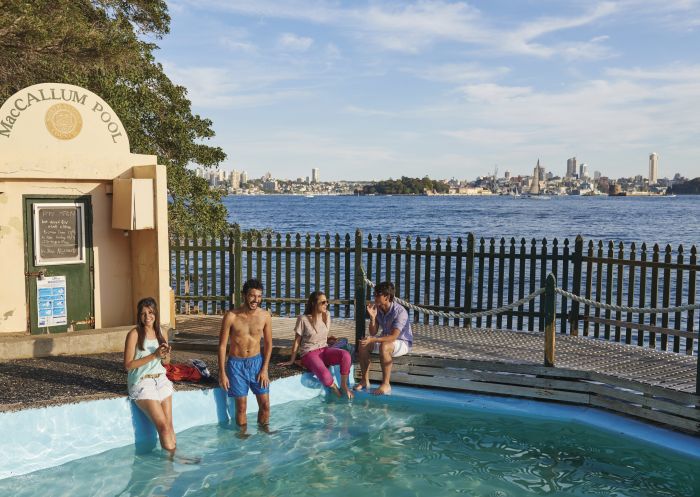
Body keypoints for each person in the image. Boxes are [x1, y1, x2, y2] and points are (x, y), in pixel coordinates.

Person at [218, 278, 272, 430]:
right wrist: (222, 373)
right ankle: (242, 442)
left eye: (259, 296)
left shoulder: (265, 316)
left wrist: (265, 369)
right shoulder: (231, 316)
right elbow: (222, 346)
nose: (256, 300)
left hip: (257, 363)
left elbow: (268, 344)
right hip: (236, 365)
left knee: (265, 405)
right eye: (252, 296)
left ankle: (263, 436)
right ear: (244, 295)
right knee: (241, 408)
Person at [123, 297, 175, 453]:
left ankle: (174, 456)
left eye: (150, 312)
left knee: (169, 424)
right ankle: (170, 467)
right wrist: (154, 355)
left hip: (161, 379)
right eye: (143, 313)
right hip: (142, 382)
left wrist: (165, 355)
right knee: (163, 427)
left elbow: (165, 362)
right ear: (139, 315)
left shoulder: (161, 332)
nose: (147, 317)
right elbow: (128, 365)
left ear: (155, 313)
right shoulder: (134, 334)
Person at [279, 291, 353, 399]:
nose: (326, 304)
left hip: (324, 349)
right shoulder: (303, 319)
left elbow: (323, 333)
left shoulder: (326, 315)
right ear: (314, 303)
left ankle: (344, 385)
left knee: (346, 355)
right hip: (309, 353)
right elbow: (297, 341)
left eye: (326, 302)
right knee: (325, 375)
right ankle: (335, 389)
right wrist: (291, 360)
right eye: (323, 302)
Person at [355, 281, 413, 395]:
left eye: (377, 294)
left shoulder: (400, 312)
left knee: (384, 346)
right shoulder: (378, 309)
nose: (374, 297)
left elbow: (394, 337)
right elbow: (373, 331)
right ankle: (364, 380)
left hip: (403, 342)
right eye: (374, 294)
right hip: (386, 340)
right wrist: (372, 318)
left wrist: (374, 339)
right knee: (363, 344)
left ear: (386, 297)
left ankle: (386, 384)